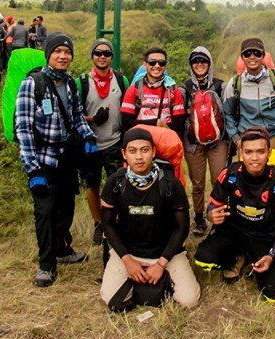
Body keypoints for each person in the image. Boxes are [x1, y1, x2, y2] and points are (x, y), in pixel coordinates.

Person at [15, 32, 98, 287]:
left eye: (68, 52)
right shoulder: (33, 84)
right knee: (45, 212)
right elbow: (23, 127)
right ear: (48, 54)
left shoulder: (70, 83)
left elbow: (76, 116)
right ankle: (46, 265)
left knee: (65, 207)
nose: (63, 56)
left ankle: (63, 250)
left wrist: (89, 139)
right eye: (58, 51)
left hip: (66, 157)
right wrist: (33, 169)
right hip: (42, 159)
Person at [99, 128, 200, 310]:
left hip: (166, 253)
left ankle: (156, 280)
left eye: (144, 150)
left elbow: (182, 228)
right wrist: (128, 261)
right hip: (128, 252)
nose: (139, 157)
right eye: (132, 151)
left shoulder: (170, 184)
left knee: (189, 301)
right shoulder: (115, 183)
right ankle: (144, 283)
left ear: (153, 152)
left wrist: (161, 264)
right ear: (124, 154)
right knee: (112, 300)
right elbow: (107, 224)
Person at [194, 127, 275, 300]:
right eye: (248, 152)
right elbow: (213, 206)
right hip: (236, 231)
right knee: (203, 258)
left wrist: (272, 254)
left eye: (260, 152)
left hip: (265, 237)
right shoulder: (230, 174)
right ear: (241, 153)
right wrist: (211, 214)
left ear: (269, 153)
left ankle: (259, 258)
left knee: (274, 293)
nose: (254, 158)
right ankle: (238, 256)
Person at [77, 38, 128, 246]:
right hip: (90, 144)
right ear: (92, 56)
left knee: (118, 184)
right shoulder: (81, 82)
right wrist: (92, 119)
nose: (102, 57)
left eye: (106, 53)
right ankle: (99, 223)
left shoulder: (121, 80)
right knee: (93, 185)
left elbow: (128, 108)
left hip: (115, 142)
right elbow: (74, 114)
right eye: (98, 53)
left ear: (112, 57)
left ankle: (116, 221)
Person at [181, 46, 228, 236]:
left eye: (203, 61)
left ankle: (219, 217)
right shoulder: (184, 88)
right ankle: (199, 218)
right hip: (194, 143)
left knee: (219, 181)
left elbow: (228, 112)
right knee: (198, 183)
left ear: (209, 64)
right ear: (191, 65)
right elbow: (180, 115)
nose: (199, 64)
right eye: (195, 61)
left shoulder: (220, 86)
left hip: (218, 142)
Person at [221, 38, 275, 156]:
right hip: (247, 140)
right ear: (242, 57)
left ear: (263, 55)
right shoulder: (234, 84)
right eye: (247, 53)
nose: (252, 57)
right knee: (249, 174)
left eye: (257, 53)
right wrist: (236, 139)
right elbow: (227, 114)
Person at [120, 47, 186, 136]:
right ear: (145, 64)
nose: (157, 66)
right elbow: (126, 123)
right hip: (141, 142)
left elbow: (179, 125)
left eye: (161, 63)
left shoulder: (174, 91)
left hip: (165, 142)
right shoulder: (134, 89)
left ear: (165, 66)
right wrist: (155, 123)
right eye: (152, 62)